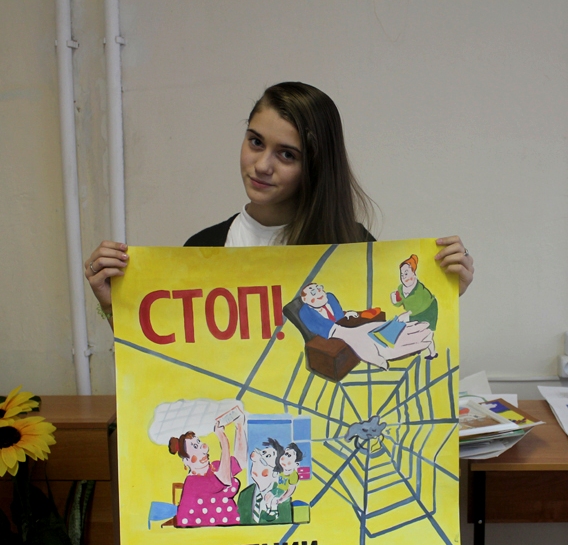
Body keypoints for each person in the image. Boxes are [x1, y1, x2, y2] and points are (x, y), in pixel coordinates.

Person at [84, 82, 474, 323]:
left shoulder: (353, 245)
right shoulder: (202, 248)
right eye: (255, 141)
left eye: (287, 154)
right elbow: (169, 361)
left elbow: (384, 326)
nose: (262, 165)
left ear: (315, 166)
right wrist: (112, 306)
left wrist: (445, 289)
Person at [299, 282, 436, 369]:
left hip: (346, 326)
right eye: (313, 292)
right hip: (335, 333)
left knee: (376, 326)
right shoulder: (305, 312)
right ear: (305, 299)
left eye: (319, 288)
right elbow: (323, 328)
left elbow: (338, 316)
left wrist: (346, 314)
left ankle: (396, 330)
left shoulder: (330, 297)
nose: (319, 292)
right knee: (364, 339)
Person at [168, 413, 247, 528]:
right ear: (187, 461)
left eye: (199, 443)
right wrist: (223, 440)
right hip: (203, 534)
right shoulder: (193, 482)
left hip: (231, 532)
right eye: (195, 447)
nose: (204, 449)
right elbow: (223, 480)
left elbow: (241, 461)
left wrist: (239, 426)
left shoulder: (215, 467)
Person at [391, 254, 438, 330]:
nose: (404, 277)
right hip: (412, 314)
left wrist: (407, 316)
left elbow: (417, 306)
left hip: (427, 311)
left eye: (406, 273)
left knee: (423, 330)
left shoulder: (419, 290)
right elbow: (400, 302)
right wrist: (395, 300)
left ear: (413, 273)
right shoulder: (401, 289)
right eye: (402, 275)